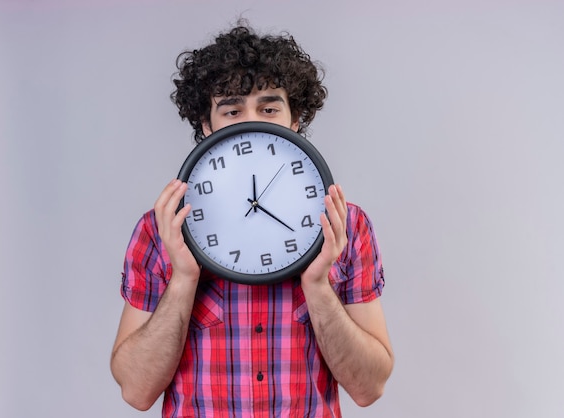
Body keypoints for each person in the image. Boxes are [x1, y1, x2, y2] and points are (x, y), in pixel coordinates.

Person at [110, 22, 394, 417]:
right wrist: (183, 279)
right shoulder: (162, 229)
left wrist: (318, 285)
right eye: (232, 109)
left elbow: (369, 388)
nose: (251, 121)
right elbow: (136, 391)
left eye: (269, 108)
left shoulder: (344, 223)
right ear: (206, 127)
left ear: (295, 121)